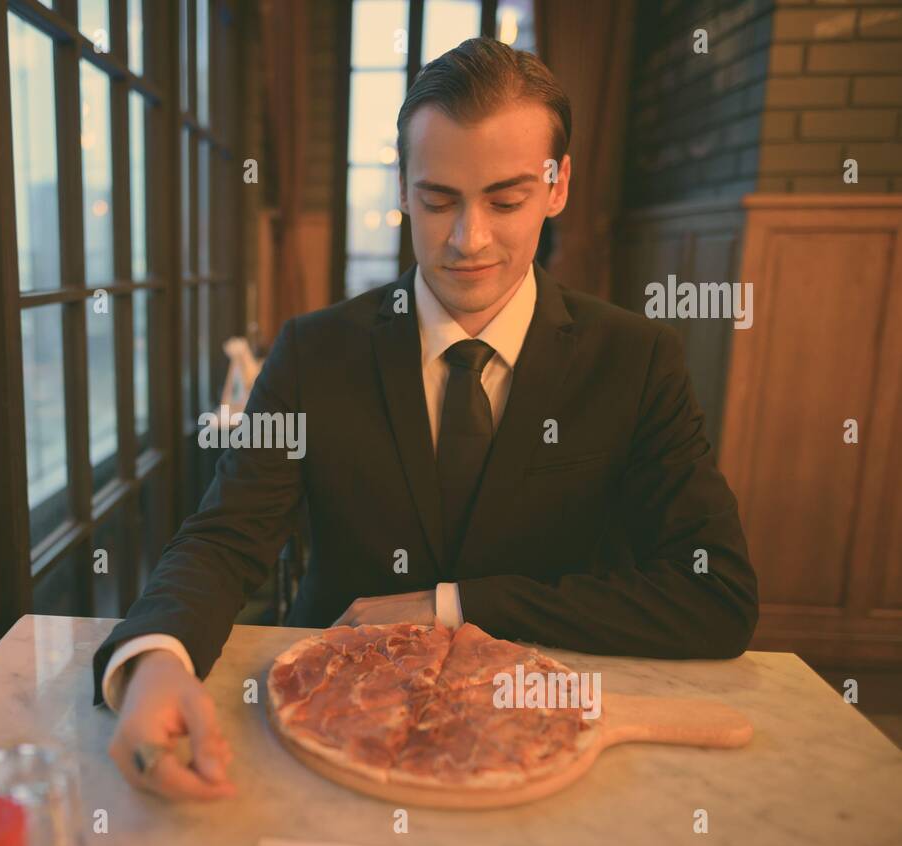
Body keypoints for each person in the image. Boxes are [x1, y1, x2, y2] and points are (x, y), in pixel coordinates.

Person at [95, 37, 759, 801]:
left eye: (505, 201)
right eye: (438, 199)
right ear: (404, 190)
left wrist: (454, 605)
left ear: (558, 185)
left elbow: (716, 595)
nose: (466, 239)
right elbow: (225, 536)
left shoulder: (637, 361)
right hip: (324, 728)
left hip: (535, 743)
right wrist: (154, 658)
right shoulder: (315, 351)